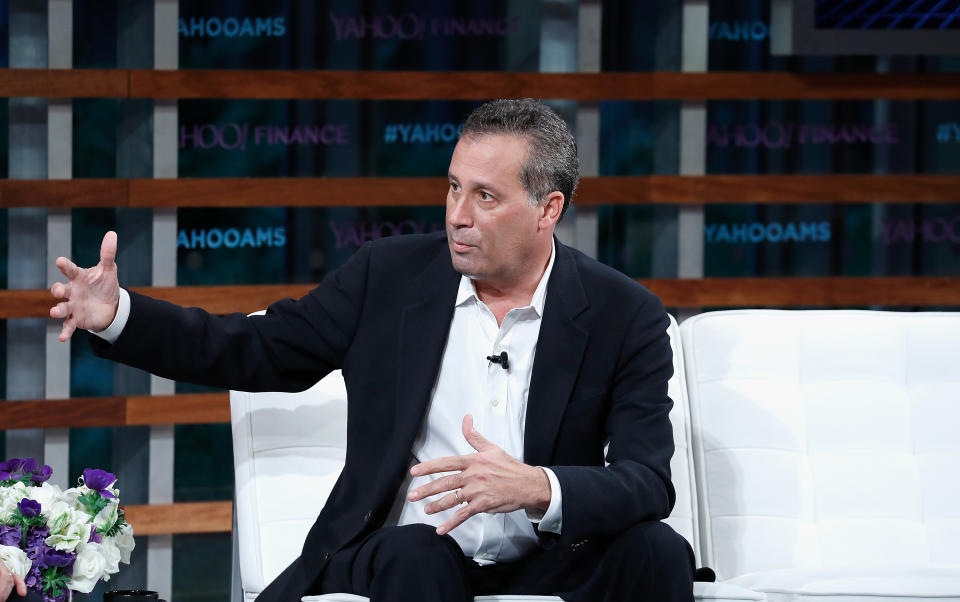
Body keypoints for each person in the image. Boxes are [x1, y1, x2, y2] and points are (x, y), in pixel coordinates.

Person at [43, 99, 694, 602]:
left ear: (548, 208)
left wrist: (535, 488)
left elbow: (647, 480)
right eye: (452, 187)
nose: (457, 214)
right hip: (405, 555)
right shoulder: (390, 277)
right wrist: (119, 315)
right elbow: (255, 349)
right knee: (419, 557)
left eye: (485, 196)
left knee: (657, 551)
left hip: (550, 552)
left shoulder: (623, 313)